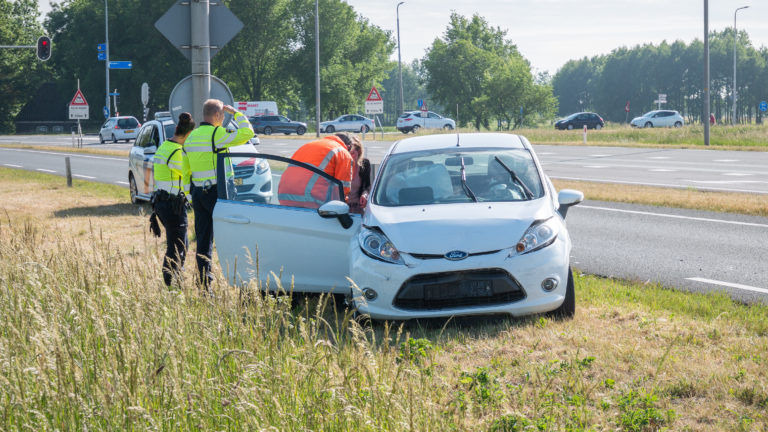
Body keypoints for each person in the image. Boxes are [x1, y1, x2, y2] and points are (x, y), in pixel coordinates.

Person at [184, 99, 254, 288]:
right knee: (234, 236)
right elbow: (248, 132)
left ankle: (205, 286)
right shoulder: (217, 134)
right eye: (222, 115)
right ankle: (242, 283)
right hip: (217, 193)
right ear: (218, 115)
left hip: (198, 194)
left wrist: (188, 195)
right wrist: (237, 113)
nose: (223, 119)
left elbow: (185, 170)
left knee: (203, 241)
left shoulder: (191, 137)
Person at [151, 112, 196, 287]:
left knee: (180, 245)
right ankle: (171, 284)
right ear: (188, 134)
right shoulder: (177, 152)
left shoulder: (165, 146)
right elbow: (189, 174)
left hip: (162, 203)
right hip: (172, 205)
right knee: (177, 247)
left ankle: (175, 280)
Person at [277, 132, 354, 208]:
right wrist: (343, 209)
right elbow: (342, 190)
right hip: (311, 202)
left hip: (284, 197)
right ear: (348, 147)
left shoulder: (308, 145)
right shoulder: (343, 152)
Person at [347, 135, 371, 214]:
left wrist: (365, 195)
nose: (350, 156)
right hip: (341, 210)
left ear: (359, 151)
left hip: (358, 208)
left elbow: (367, 186)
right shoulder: (340, 165)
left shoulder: (365, 164)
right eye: (347, 153)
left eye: (352, 153)